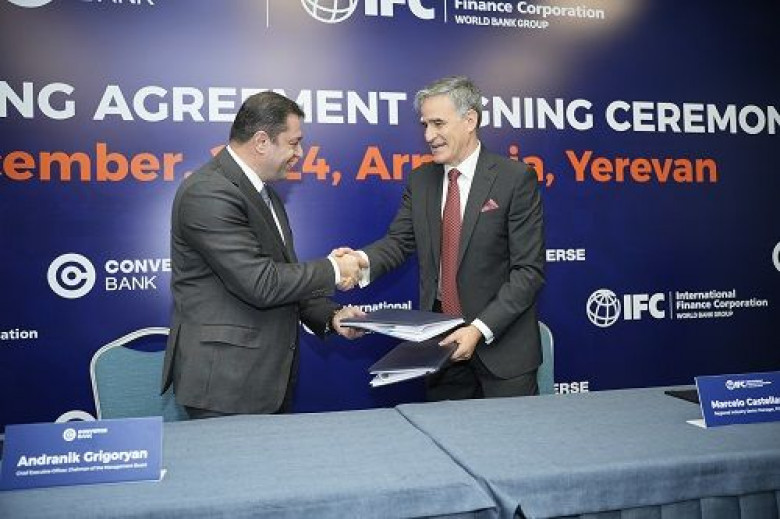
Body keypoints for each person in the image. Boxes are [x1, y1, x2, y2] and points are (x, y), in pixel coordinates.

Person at [338, 76, 545, 400]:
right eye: (425, 125)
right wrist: (358, 262)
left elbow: (528, 272)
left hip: (503, 350)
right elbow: (399, 242)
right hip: (441, 349)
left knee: (511, 434)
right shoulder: (421, 180)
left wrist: (478, 329)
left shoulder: (515, 178)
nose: (428, 136)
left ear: (470, 120)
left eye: (438, 124)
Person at [161, 91, 364, 418]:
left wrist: (330, 316)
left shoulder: (266, 195)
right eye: (294, 143)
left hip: (267, 380)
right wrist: (336, 269)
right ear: (261, 141)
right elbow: (260, 283)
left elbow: (283, 278)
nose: (300, 153)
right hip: (224, 386)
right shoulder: (208, 191)